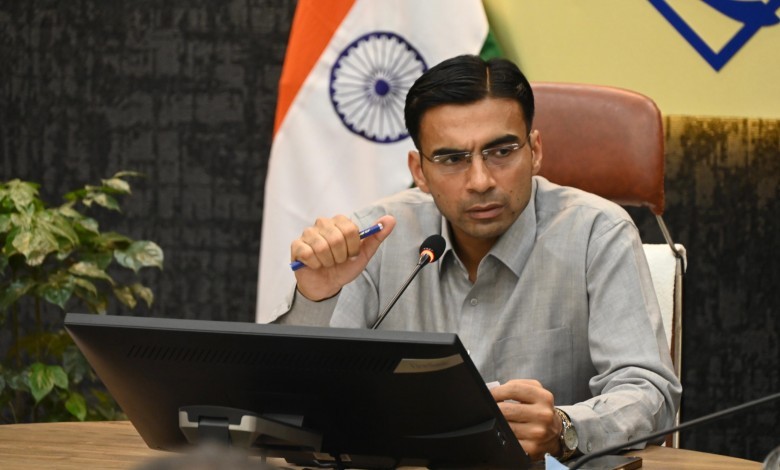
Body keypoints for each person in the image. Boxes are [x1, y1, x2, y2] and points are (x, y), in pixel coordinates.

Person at [272, 54, 682, 462]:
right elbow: (298, 405)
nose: (481, 181)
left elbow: (648, 391)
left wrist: (566, 427)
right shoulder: (375, 238)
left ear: (535, 151)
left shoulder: (598, 233)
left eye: (501, 151)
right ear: (419, 171)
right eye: (452, 159)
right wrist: (316, 298)